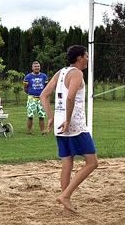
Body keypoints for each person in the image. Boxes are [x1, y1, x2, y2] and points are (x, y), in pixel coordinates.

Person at [40, 45, 98, 214]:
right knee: (92, 162)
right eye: (86, 56)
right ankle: (65, 196)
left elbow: (44, 95)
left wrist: (51, 117)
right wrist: (67, 119)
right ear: (80, 58)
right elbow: (71, 96)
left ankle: (66, 207)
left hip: (60, 123)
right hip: (74, 125)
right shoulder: (77, 74)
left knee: (67, 164)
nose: (88, 59)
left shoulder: (60, 73)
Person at [24, 61, 49, 135]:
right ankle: (29, 132)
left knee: (42, 116)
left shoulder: (44, 76)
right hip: (32, 98)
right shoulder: (28, 77)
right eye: (35, 67)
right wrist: (30, 93)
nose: (37, 68)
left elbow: (47, 87)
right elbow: (25, 88)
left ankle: (42, 131)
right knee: (30, 116)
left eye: (38, 66)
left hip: (41, 99)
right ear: (32, 68)